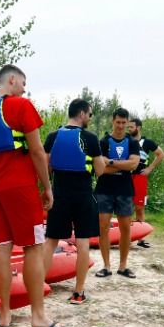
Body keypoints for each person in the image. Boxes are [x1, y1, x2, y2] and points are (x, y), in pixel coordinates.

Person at [0, 63, 59, 327]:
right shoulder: (22, 106)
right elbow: (36, 151)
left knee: (1, 248)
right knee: (33, 247)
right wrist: (47, 186)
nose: (24, 89)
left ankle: (5, 314)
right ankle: (38, 316)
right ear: (11, 81)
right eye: (23, 84)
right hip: (19, 187)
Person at [43, 99, 106, 305]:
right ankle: (78, 293)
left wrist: (47, 189)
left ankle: (37, 287)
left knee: (51, 241)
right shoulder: (90, 138)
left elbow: (45, 168)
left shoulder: (53, 136)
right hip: (83, 195)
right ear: (81, 113)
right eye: (89, 114)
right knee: (82, 242)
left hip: (59, 194)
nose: (90, 117)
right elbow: (100, 170)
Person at [94, 108, 141, 278]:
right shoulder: (104, 142)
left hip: (125, 190)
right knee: (103, 227)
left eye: (123, 123)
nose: (120, 126)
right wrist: (124, 164)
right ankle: (106, 266)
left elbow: (133, 165)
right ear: (112, 121)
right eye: (118, 122)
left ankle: (123, 266)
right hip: (104, 190)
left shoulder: (133, 142)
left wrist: (112, 162)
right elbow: (100, 169)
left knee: (125, 229)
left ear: (127, 123)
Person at [129, 117, 163, 246]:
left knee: (139, 207)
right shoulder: (126, 140)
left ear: (138, 128)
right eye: (129, 127)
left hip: (140, 177)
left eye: (131, 127)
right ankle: (125, 234)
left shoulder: (147, 142)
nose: (129, 129)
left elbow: (161, 154)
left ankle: (140, 238)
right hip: (127, 176)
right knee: (126, 206)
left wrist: (150, 168)